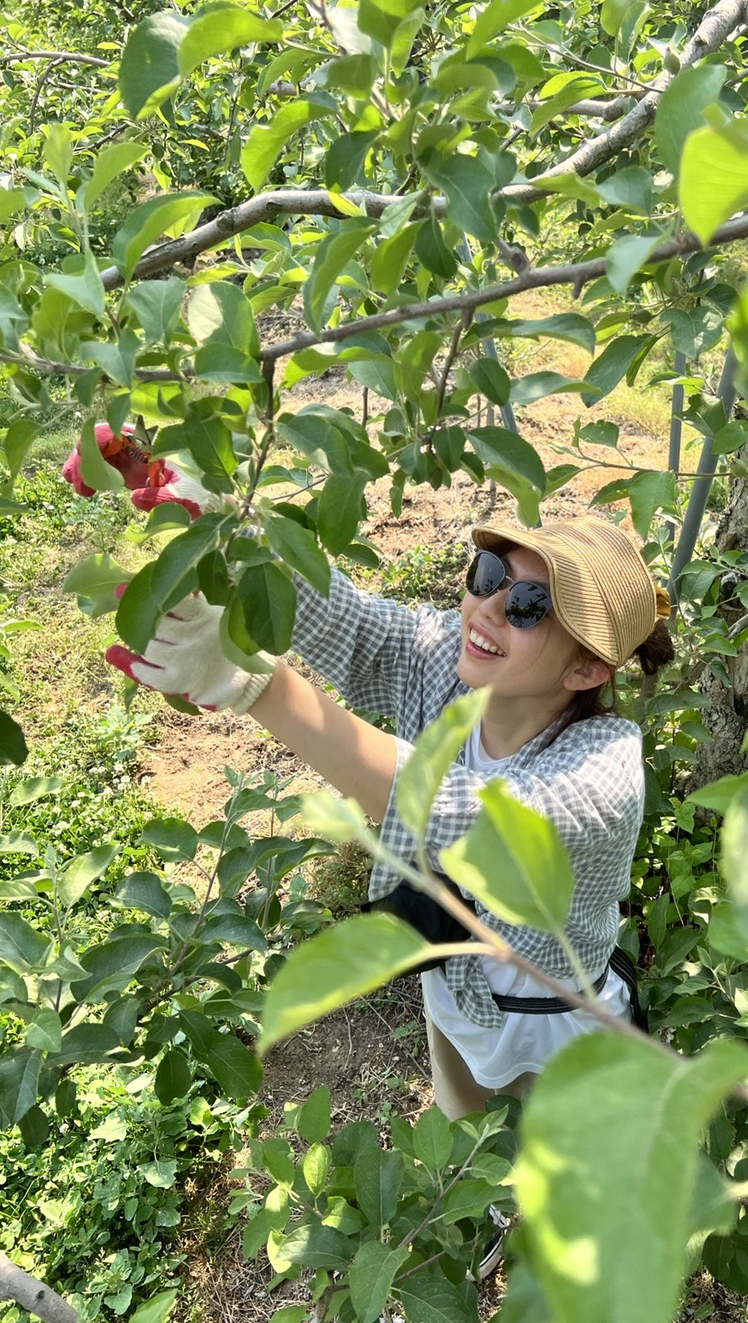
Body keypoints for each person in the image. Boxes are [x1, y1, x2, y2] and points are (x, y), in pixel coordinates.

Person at [63, 430, 675, 1124]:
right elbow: (351, 626)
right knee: (463, 1128)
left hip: (547, 1023)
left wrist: (255, 687)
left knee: (549, 1161)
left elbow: (467, 815)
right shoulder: (451, 656)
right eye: (489, 576)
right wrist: (225, 518)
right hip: (452, 975)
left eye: (530, 607)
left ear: (586, 670)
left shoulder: (605, 765)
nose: (490, 609)